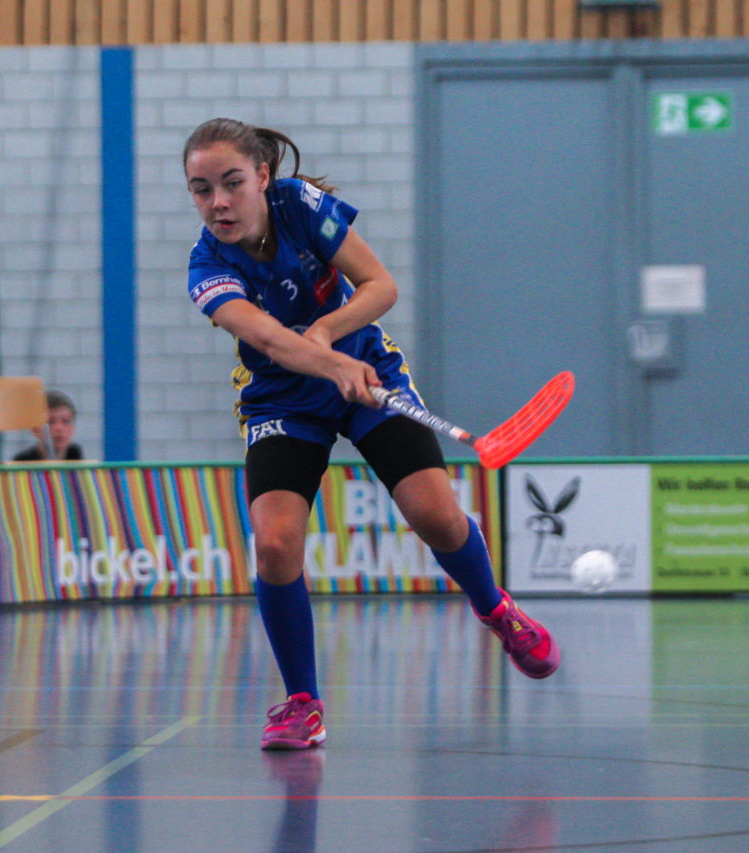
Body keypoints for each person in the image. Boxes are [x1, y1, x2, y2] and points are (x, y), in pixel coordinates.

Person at [182, 117, 560, 751]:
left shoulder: (303, 206)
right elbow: (270, 339)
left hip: (371, 380)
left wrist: (331, 333)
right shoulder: (205, 267)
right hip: (283, 400)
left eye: (231, 182)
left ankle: (496, 607)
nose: (218, 201)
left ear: (263, 176)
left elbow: (381, 285)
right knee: (275, 545)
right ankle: (302, 702)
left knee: (435, 517)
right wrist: (327, 363)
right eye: (200, 189)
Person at [12, 390, 84, 461]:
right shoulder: (23, 463)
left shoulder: (75, 456)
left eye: (65, 421)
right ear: (35, 429)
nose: (59, 428)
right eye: (50, 422)